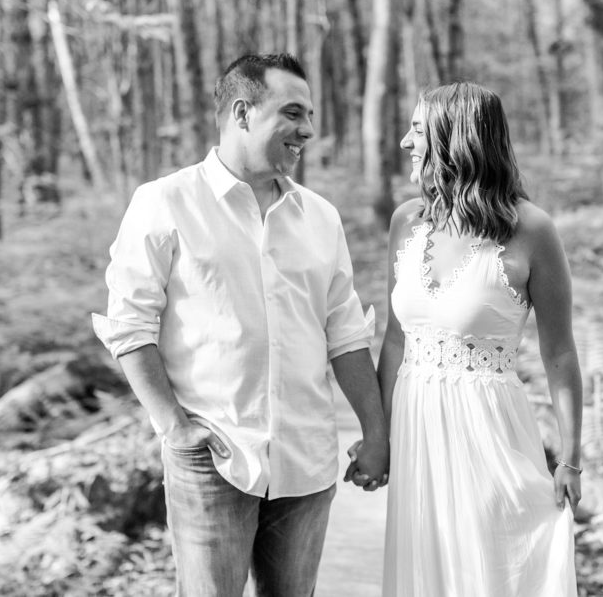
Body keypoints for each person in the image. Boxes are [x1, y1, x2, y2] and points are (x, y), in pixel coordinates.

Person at [92, 53, 389, 597]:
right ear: (242, 113)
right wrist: (174, 428)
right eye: (294, 113)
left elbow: (345, 333)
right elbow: (129, 326)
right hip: (214, 459)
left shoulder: (320, 217)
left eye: (310, 115)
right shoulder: (165, 202)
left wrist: (376, 432)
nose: (308, 130)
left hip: (306, 461)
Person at [377, 82, 582, 596]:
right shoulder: (406, 222)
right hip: (418, 433)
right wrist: (379, 438)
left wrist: (571, 458)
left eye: (418, 131)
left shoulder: (532, 230)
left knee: (492, 571)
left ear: (456, 139)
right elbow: (396, 339)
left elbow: (559, 353)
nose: (405, 141)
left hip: (490, 433)